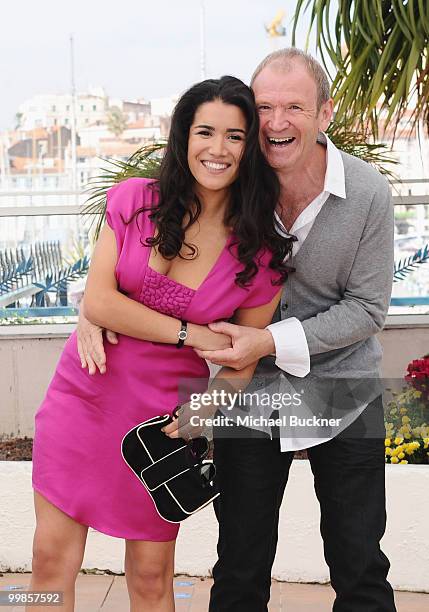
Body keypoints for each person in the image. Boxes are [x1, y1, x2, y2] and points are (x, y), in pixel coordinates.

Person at [78, 49, 396, 612]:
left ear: (324, 113)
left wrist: (269, 339)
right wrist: (90, 311)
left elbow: (369, 308)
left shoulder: (368, 193)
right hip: (246, 391)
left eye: (293, 107)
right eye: (265, 107)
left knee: (360, 564)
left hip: (344, 389)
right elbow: (143, 252)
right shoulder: (226, 187)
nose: (276, 122)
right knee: (241, 565)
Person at [29, 75, 296, 612]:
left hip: (160, 426)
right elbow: (99, 304)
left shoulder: (262, 253)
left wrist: (205, 409)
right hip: (82, 397)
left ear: (251, 149)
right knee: (49, 564)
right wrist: (192, 333)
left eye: (235, 136)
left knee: (152, 580)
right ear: (183, 137)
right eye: (205, 132)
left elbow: (241, 360)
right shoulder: (134, 200)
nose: (217, 149)